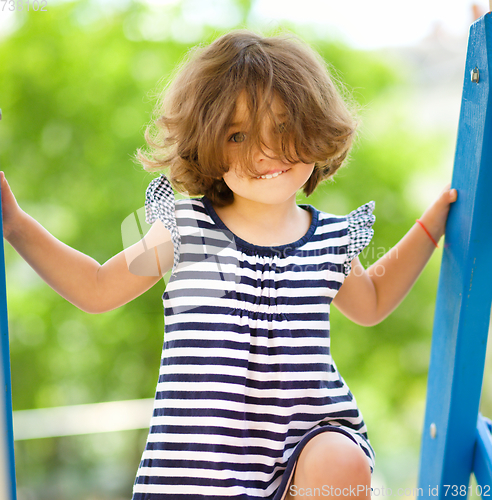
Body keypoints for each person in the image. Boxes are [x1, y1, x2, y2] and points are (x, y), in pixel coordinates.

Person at [1, 30, 457, 500]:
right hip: (196, 474)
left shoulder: (327, 242)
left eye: (282, 127)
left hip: (298, 463)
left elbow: (373, 302)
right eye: (238, 135)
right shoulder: (187, 230)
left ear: (315, 126)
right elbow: (96, 288)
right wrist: (15, 224)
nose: (265, 150)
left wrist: (430, 228)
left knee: (341, 458)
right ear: (208, 145)